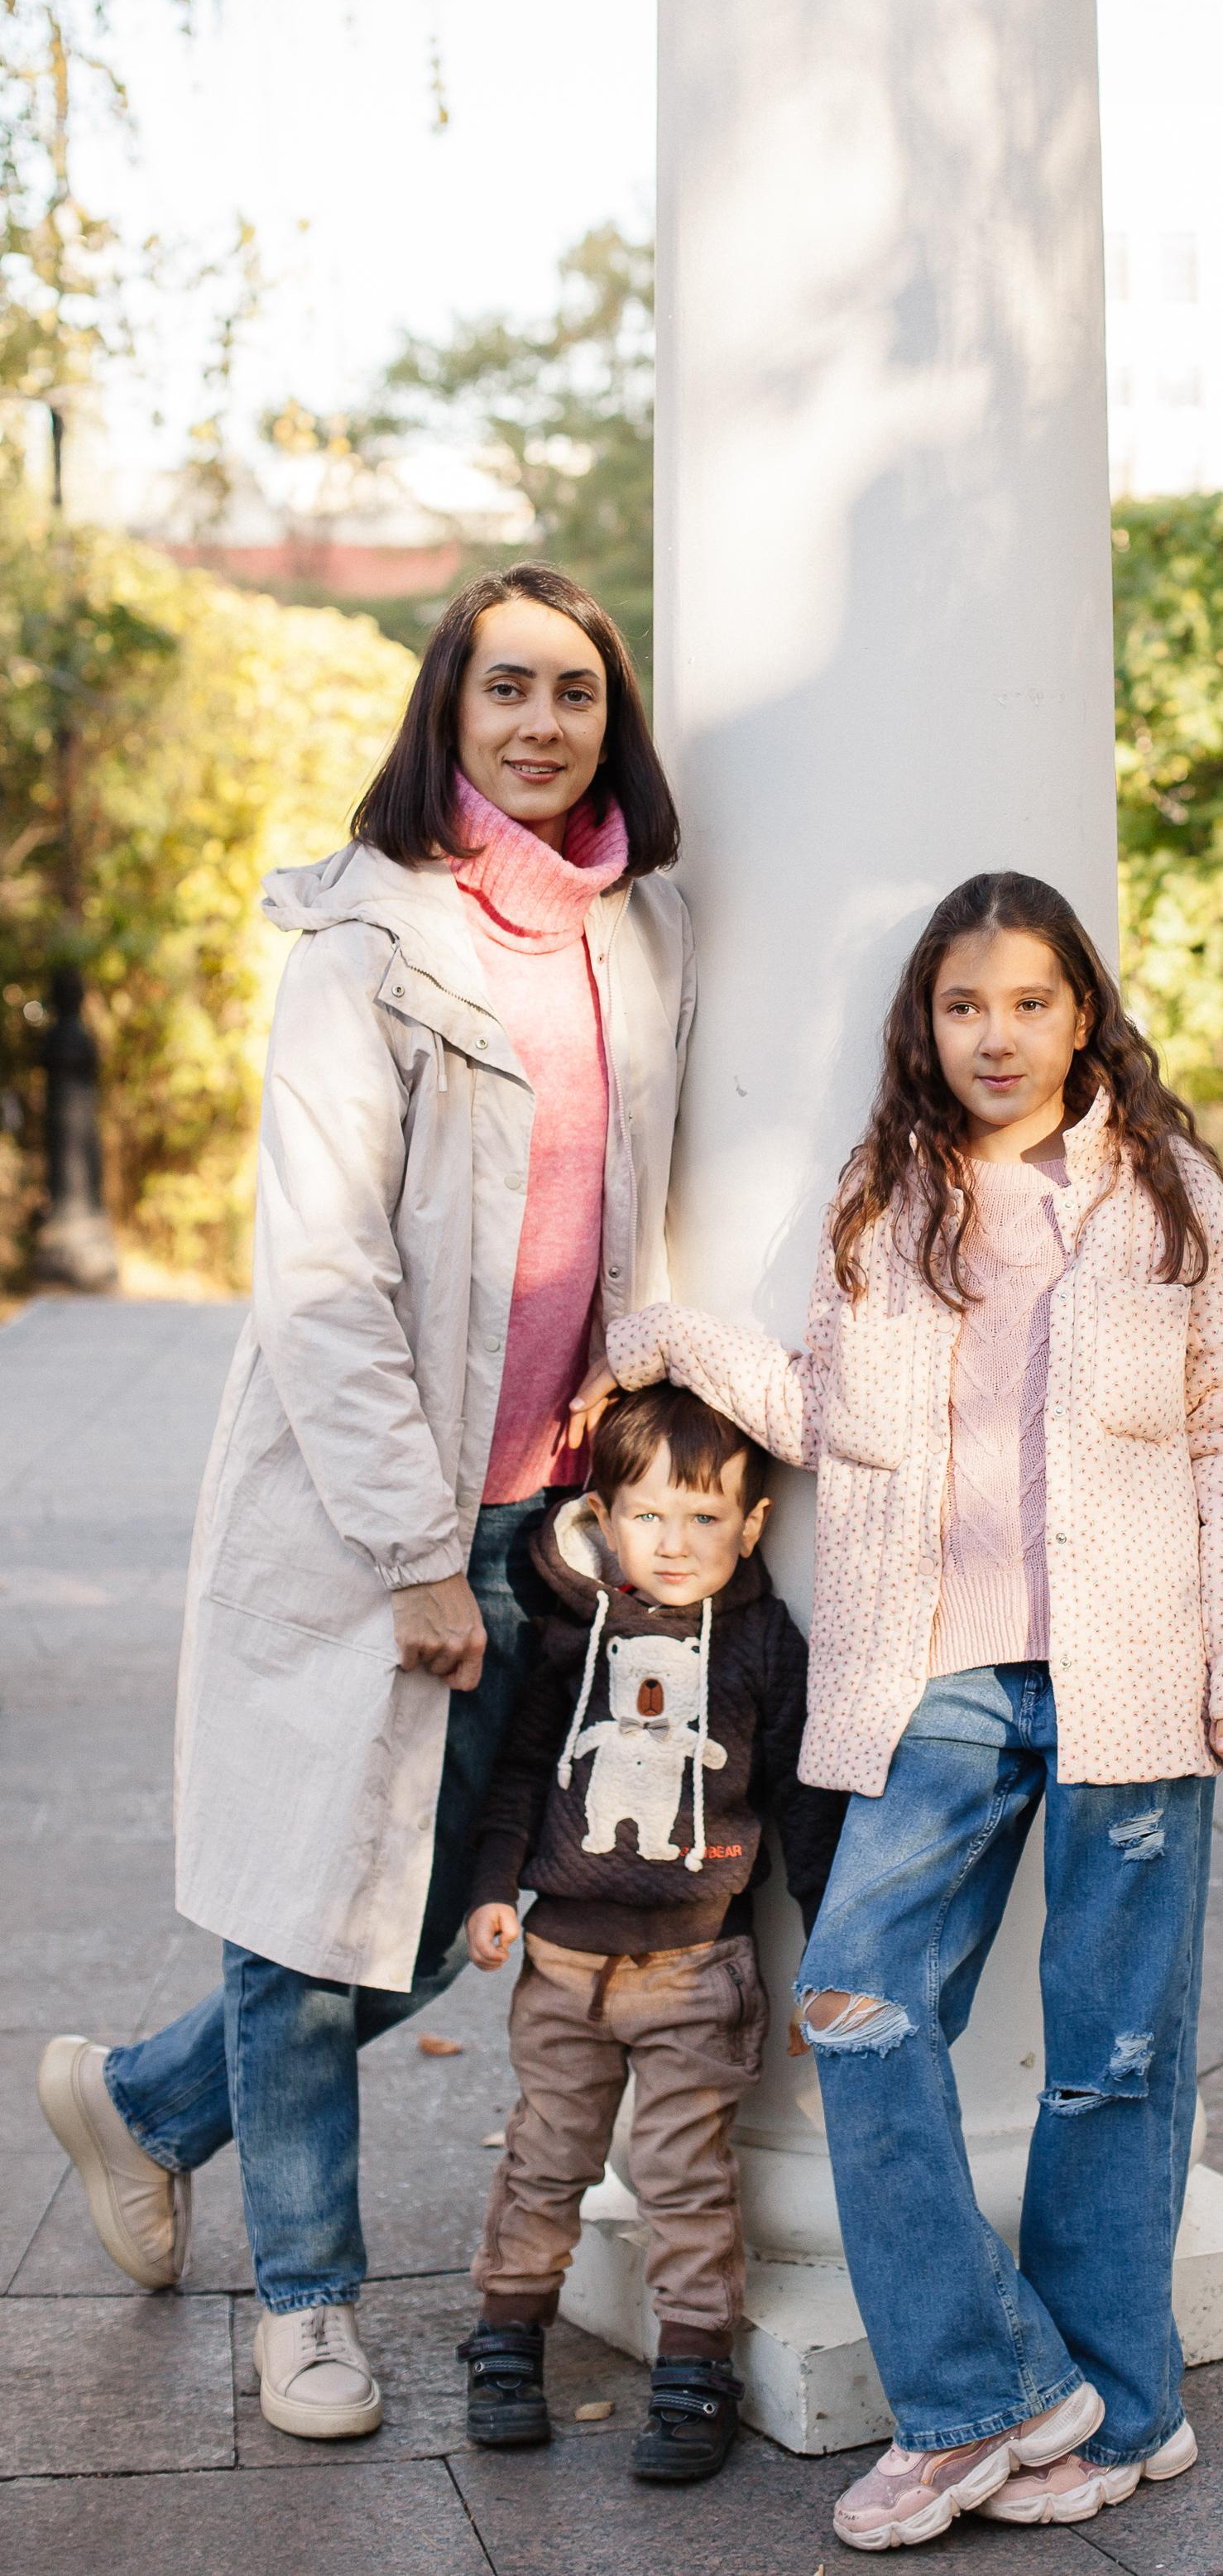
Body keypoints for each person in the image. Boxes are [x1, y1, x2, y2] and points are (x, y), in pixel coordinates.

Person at [36, 563, 694, 2443]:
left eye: (574, 691)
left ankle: (155, 2105)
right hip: (365, 1517)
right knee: (307, 1913)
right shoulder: (368, 944)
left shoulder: (638, 934)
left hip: (547, 1515)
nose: (543, 722)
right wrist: (416, 1549)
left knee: (443, 1908)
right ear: (450, 709)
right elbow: (320, 1275)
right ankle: (305, 2307)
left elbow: (627, 1211)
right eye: (508, 689)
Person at [580, 868, 1223, 2551]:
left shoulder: (1168, 1192)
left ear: (1082, 1012)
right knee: (854, 1995)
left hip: (1140, 1669)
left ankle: (1127, 2411)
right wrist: (667, 1333)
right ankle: (991, 2391)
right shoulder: (886, 1195)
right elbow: (824, 1407)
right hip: (939, 1673)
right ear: (928, 1019)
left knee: (1118, 2054)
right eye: (966, 1004)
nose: (998, 1033)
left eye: (1031, 1001)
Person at [456, 1382, 842, 2483]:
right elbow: (523, 1773)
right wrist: (495, 1889)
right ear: (605, 1518)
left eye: (704, 1517)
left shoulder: (764, 1646)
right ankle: (505, 2343)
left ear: (752, 1525)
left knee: (685, 2178)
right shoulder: (572, 1634)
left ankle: (691, 2369)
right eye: (648, 1515)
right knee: (544, 2160)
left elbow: (804, 1807)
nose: (674, 1543)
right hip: (562, 1964)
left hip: (694, 1972)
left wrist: (826, 1951)